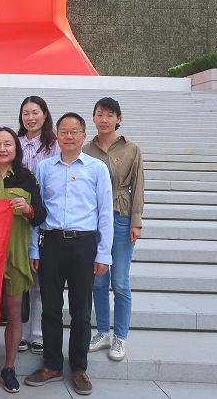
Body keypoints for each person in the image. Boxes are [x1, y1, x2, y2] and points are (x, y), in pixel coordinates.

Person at [25, 113, 113, 396]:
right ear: (57, 135)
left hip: (83, 245)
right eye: (64, 131)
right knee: (50, 308)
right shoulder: (44, 168)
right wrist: (34, 248)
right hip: (51, 243)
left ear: (84, 136)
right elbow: (37, 213)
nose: (69, 136)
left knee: (81, 311)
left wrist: (104, 253)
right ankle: (51, 365)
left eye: (75, 131)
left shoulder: (97, 168)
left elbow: (105, 213)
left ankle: (78, 368)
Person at [0, 127, 46, 393]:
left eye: (7, 144)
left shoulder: (27, 179)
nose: (2, 149)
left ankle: (9, 367)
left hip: (15, 255)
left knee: (14, 312)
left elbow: (40, 216)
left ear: (16, 148)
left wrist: (28, 209)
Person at [83, 98, 144, 362]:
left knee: (119, 281)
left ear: (118, 118)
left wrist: (136, 221)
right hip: (93, 220)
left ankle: (120, 336)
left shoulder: (131, 148)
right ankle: (102, 333)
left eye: (110, 115)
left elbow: (138, 185)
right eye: (100, 114)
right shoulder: (86, 149)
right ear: (93, 118)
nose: (104, 119)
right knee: (98, 280)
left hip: (120, 217)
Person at [16, 96, 61, 355]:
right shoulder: (16, 143)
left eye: (35, 112)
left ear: (45, 114)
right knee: (23, 277)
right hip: (20, 217)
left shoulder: (55, 146)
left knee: (42, 280)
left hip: (47, 218)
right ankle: (21, 332)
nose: (30, 118)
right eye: (26, 113)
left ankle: (38, 333)